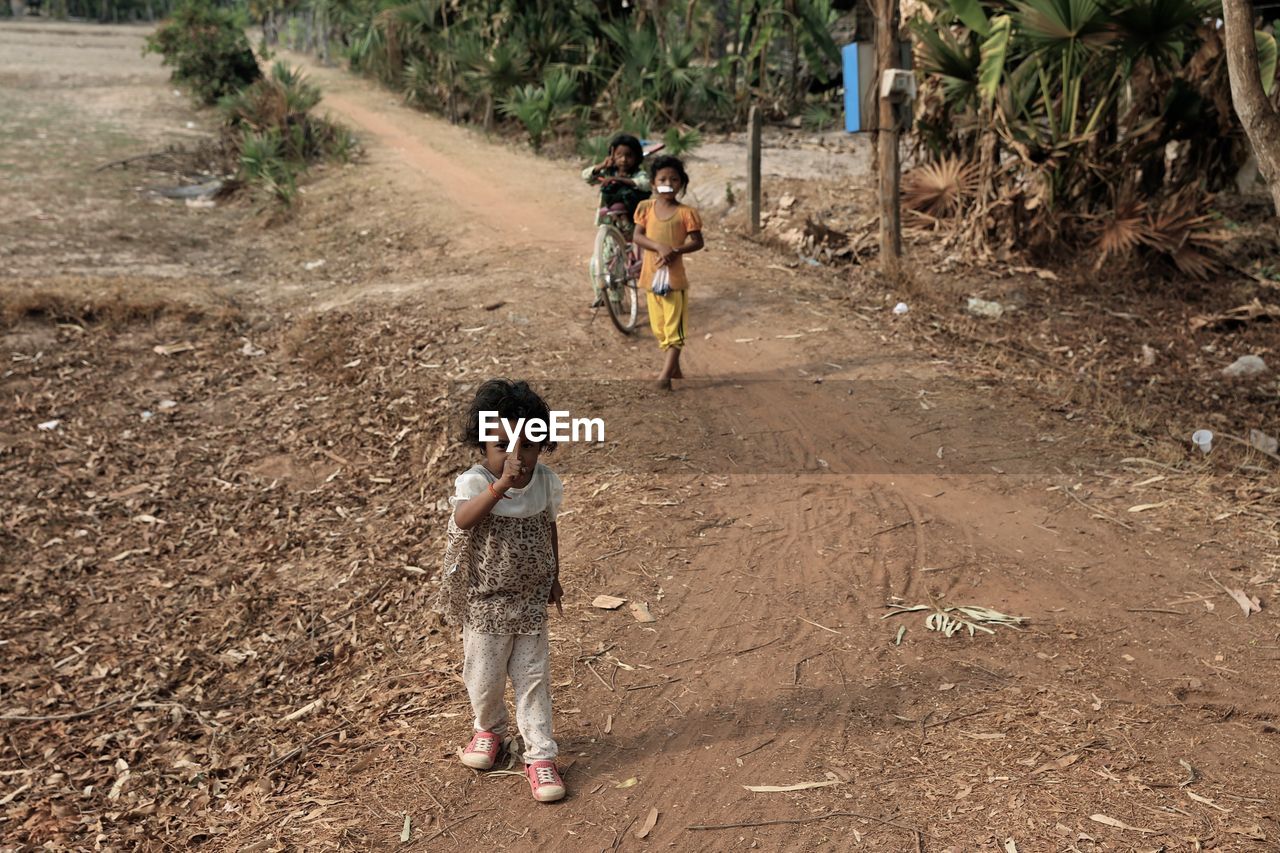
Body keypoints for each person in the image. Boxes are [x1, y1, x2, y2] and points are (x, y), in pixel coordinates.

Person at [433, 379, 567, 803]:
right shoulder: (475, 483)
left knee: (532, 679)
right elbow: (464, 521)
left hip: (528, 603)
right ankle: (489, 730)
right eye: (502, 446)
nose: (516, 457)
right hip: (484, 604)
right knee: (485, 678)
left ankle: (540, 755)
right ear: (482, 447)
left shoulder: (544, 482)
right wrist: (500, 486)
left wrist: (555, 576)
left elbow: (549, 527)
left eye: (528, 446)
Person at [632, 155, 704, 389]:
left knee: (674, 329)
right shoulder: (646, 208)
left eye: (674, 179)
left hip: (674, 281)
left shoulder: (686, 213)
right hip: (652, 278)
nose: (668, 183)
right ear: (653, 184)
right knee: (659, 328)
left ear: (682, 183)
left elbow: (697, 241)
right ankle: (676, 370)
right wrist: (659, 247)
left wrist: (676, 250)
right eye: (662, 179)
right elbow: (637, 236)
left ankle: (664, 378)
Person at [583, 134, 652, 307]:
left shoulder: (638, 174)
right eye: (619, 155)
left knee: (616, 262)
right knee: (596, 263)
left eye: (629, 155)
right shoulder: (608, 171)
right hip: (608, 224)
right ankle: (602, 295)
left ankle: (615, 300)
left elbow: (645, 184)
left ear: (637, 157)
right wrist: (601, 167)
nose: (624, 160)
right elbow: (586, 177)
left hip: (628, 226)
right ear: (612, 156)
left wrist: (619, 180)